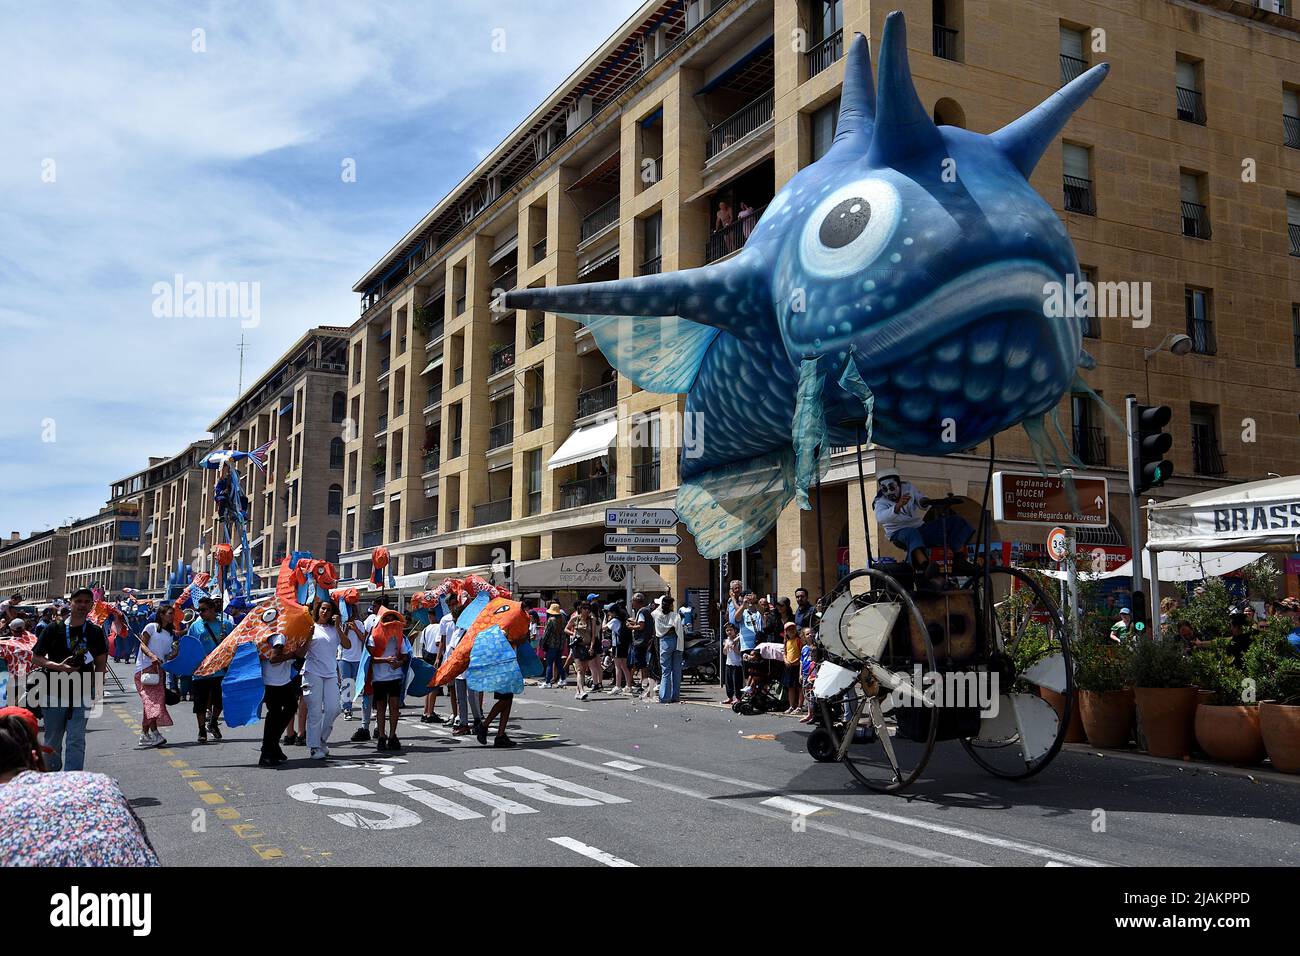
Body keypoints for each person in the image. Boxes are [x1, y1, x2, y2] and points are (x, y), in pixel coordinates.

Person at [0, 707, 159, 866]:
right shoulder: (102, 784)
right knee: (65, 739)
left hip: (73, 696)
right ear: (35, 755)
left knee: (72, 739)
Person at [30, 587, 106, 772]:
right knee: (53, 739)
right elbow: (36, 657)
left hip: (82, 691)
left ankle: (73, 779)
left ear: (91, 605)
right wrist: (59, 667)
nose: (82, 605)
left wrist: (98, 687)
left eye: (87, 601)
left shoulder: (95, 631)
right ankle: (51, 779)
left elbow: (101, 662)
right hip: (55, 689)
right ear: (70, 603)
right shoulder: (53, 628)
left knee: (76, 738)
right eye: (78, 601)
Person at [872, 469, 974, 575]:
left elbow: (920, 498)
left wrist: (924, 502)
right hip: (897, 532)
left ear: (898, 484)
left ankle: (959, 559)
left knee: (955, 521)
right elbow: (880, 518)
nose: (889, 492)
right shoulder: (880, 501)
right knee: (911, 533)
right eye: (884, 489)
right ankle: (925, 566)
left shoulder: (908, 487)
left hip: (918, 527)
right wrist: (897, 506)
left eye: (892, 487)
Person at [301, 600, 352, 760]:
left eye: (328, 610)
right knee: (315, 711)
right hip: (312, 672)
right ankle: (314, 747)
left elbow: (347, 645)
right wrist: (308, 637)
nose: (325, 612)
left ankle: (321, 739)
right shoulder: (311, 627)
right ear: (318, 610)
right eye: (323, 608)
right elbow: (301, 652)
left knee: (334, 709)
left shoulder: (334, 629)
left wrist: (338, 627)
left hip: (330, 674)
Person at [134, 604, 177, 748]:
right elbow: (142, 645)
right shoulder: (151, 627)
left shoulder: (170, 634)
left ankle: (144, 735)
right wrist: (151, 656)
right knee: (152, 702)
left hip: (159, 671)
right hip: (145, 669)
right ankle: (155, 733)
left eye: (173, 614)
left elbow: (166, 655)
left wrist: (173, 654)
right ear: (161, 614)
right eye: (169, 613)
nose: (172, 616)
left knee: (153, 702)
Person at [188, 598, 230, 742]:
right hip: (201, 671)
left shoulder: (226, 624)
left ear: (212, 609)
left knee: (220, 701)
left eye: (203, 610)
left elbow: (235, 643)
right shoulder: (195, 626)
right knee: (200, 703)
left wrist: (227, 639)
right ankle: (201, 731)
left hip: (219, 669)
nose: (200, 613)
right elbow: (189, 646)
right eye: (198, 610)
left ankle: (213, 723)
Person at [367, 619, 409, 752]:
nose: (391, 624)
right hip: (379, 678)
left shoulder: (399, 636)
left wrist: (400, 663)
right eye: (388, 621)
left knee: (394, 707)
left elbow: (405, 656)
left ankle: (392, 736)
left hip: (394, 676)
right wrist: (385, 660)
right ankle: (381, 736)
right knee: (380, 708)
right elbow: (370, 658)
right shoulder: (375, 636)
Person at [258, 625, 297, 767]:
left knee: (287, 708)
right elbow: (274, 658)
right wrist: (291, 654)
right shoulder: (279, 635)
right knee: (275, 714)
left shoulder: (275, 633)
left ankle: (272, 747)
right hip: (274, 682)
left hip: (281, 680)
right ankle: (267, 751)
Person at [653, 594, 685, 704]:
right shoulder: (675, 616)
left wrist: (662, 605)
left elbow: (655, 610)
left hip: (665, 642)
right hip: (677, 641)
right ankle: (675, 696)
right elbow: (680, 630)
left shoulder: (657, 614)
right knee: (676, 670)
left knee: (666, 671)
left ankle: (664, 697)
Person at [414, 612, 446, 723]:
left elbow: (423, 644)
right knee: (434, 686)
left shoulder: (426, 628)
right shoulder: (439, 627)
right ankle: (430, 712)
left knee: (429, 686)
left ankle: (426, 711)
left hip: (427, 655)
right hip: (435, 656)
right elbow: (439, 643)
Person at [565, 601, 595, 701]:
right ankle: (582, 690)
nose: (587, 610)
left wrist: (591, 647)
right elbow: (566, 629)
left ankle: (578, 692)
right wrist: (573, 634)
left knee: (584, 670)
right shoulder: (575, 618)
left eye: (588, 608)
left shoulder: (592, 620)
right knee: (579, 670)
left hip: (587, 647)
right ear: (580, 609)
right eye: (585, 608)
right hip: (577, 646)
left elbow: (593, 636)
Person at [628, 592, 655, 698]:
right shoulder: (648, 610)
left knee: (642, 664)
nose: (632, 603)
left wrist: (631, 627)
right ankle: (645, 684)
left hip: (641, 641)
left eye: (632, 601)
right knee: (644, 663)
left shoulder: (642, 611)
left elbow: (642, 626)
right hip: (647, 640)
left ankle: (644, 684)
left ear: (636, 601)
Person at [607, 601, 633, 693]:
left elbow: (604, 628)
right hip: (624, 644)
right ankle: (628, 686)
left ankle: (618, 686)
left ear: (613, 612)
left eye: (608, 611)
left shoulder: (614, 620)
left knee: (617, 666)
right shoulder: (623, 619)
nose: (607, 613)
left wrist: (606, 619)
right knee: (624, 666)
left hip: (617, 645)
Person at [540, 602, 567, 688]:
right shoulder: (563, 618)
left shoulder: (551, 620)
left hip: (551, 645)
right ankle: (563, 678)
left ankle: (548, 682)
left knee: (549, 663)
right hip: (560, 645)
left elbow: (546, 633)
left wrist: (542, 643)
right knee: (558, 662)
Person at [782, 621, 802, 713]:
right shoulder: (787, 642)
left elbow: (801, 652)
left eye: (793, 629)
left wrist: (795, 661)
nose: (792, 631)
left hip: (797, 666)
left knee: (799, 686)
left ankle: (799, 706)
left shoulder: (798, 640)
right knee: (790, 687)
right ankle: (791, 705)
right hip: (789, 667)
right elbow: (785, 653)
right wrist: (786, 660)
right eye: (789, 630)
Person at [722, 622, 743, 705]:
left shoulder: (738, 639)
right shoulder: (726, 640)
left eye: (730, 630)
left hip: (737, 664)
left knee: (737, 682)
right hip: (728, 663)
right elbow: (724, 653)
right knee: (728, 682)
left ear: (735, 630)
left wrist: (735, 649)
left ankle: (738, 698)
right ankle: (729, 697)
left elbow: (740, 653)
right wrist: (725, 647)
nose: (729, 632)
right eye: (727, 630)